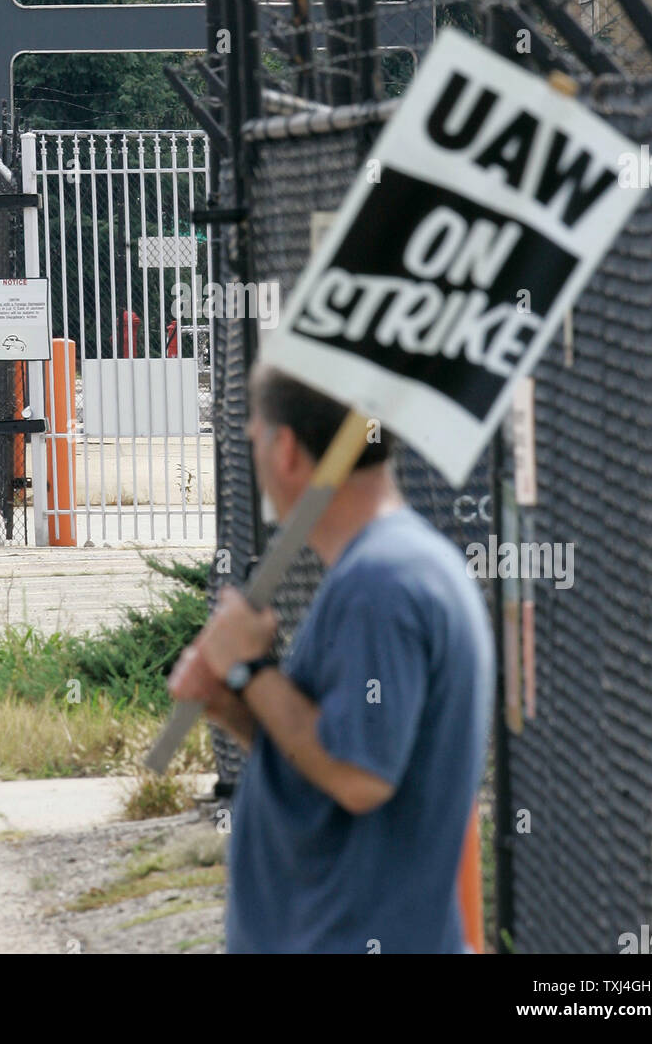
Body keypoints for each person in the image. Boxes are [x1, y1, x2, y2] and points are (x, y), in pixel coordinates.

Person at [168, 362, 495, 954]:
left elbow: (359, 774)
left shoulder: (382, 582)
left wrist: (250, 668)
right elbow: (326, 754)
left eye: (254, 439)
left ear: (287, 450)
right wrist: (234, 704)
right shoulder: (391, 566)